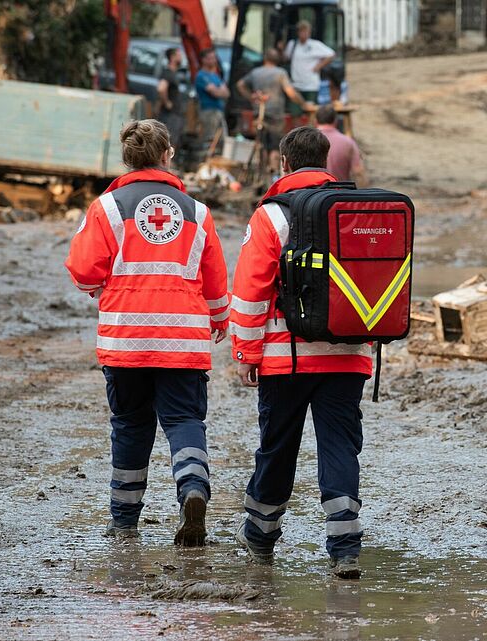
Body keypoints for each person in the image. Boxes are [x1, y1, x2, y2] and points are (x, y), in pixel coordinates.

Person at [65, 119, 229, 546]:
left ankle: (124, 521)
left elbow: (83, 270)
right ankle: (192, 489)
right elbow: (214, 281)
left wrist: (99, 287)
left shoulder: (107, 208)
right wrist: (220, 318)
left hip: (125, 340)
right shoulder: (197, 213)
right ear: (167, 155)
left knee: (131, 426)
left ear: (128, 158)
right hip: (183, 341)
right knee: (185, 420)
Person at [230, 127, 371, 578]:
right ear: (327, 162)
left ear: (284, 163)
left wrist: (246, 352)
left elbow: (251, 290)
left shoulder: (271, 216)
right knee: (339, 449)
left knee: (277, 448)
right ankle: (345, 545)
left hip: (285, 359)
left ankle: (260, 536)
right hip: (348, 357)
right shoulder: (354, 209)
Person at [236, 49, 310, 171]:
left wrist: (251, 97)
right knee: (276, 146)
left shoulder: (255, 72)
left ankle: (261, 172)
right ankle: (274, 173)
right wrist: (303, 103)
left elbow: (240, 85)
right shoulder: (280, 73)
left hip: (259, 113)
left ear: (265, 59)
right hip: (276, 115)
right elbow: (290, 92)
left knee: (262, 144)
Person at [283, 21, 335, 106]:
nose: (304, 34)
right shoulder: (292, 45)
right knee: (295, 111)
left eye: (306, 31)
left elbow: (331, 54)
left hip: (311, 85)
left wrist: (319, 66)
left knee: (311, 109)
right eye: (302, 31)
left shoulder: (315, 45)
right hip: (296, 85)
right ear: (298, 32)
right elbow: (285, 58)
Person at [316, 105, 367, 187]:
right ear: (335, 121)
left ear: (316, 121)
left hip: (312, 195)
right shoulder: (348, 142)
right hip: (340, 194)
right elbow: (358, 172)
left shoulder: (306, 141)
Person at [194, 48, 229, 154]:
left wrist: (219, 91)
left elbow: (227, 93)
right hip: (208, 112)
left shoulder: (215, 76)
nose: (213, 61)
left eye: (214, 58)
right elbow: (215, 93)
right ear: (204, 60)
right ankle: (205, 163)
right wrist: (219, 91)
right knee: (209, 139)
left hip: (219, 111)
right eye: (210, 58)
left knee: (222, 140)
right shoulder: (201, 76)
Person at [156, 48, 185, 157]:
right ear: (172, 57)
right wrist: (167, 102)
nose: (181, 57)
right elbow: (161, 88)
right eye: (179, 55)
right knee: (168, 142)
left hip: (174, 114)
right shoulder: (168, 73)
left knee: (171, 141)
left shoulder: (173, 73)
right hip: (170, 115)